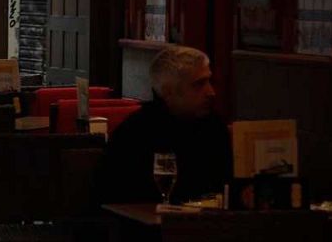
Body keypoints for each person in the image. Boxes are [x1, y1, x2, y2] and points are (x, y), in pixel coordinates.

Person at [96, 44, 232, 204]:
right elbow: (115, 198)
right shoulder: (136, 133)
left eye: (209, 81)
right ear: (168, 91)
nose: (211, 92)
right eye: (199, 84)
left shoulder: (213, 126)